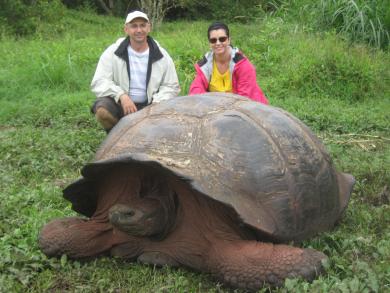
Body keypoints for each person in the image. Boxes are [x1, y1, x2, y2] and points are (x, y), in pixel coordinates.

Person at [91, 10, 180, 132]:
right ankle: (118, 136)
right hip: (123, 104)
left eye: (143, 25)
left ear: (149, 28)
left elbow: (172, 86)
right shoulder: (113, 52)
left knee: (175, 115)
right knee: (102, 111)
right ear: (126, 29)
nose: (139, 30)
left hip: (151, 105)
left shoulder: (162, 55)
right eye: (134, 26)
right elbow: (99, 81)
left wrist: (156, 103)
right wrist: (121, 96)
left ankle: (145, 135)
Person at [189, 22, 268, 104]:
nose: (218, 43)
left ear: (229, 40)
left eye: (222, 39)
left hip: (250, 108)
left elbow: (244, 98)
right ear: (209, 43)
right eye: (213, 40)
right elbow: (196, 90)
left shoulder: (243, 65)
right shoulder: (205, 65)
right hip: (216, 108)